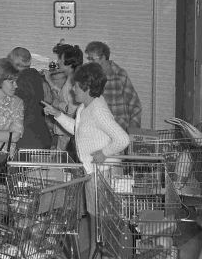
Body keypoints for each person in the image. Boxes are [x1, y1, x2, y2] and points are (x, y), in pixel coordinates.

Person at [42, 62, 130, 258]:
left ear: (87, 88)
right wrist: (58, 115)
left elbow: (123, 138)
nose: (72, 88)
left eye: (76, 85)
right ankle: (94, 254)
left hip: (105, 174)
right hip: (93, 172)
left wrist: (104, 152)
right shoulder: (85, 106)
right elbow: (78, 130)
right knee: (95, 218)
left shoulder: (98, 109)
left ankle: (101, 255)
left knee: (104, 221)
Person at [85, 41, 142, 134]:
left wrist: (133, 129)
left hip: (119, 130)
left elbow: (135, 104)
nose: (90, 62)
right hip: (98, 132)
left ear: (103, 57)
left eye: (92, 59)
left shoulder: (120, 75)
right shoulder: (90, 77)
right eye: (89, 58)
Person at [8, 47, 53, 149]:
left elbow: (17, 110)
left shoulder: (19, 82)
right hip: (42, 133)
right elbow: (49, 100)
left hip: (26, 138)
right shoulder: (37, 76)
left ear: (14, 62)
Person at [44, 43, 83, 151]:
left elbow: (71, 109)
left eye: (60, 59)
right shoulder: (71, 79)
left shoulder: (74, 82)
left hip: (68, 133)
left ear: (69, 63)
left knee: (64, 161)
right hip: (66, 132)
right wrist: (50, 82)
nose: (58, 62)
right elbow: (64, 96)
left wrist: (56, 104)